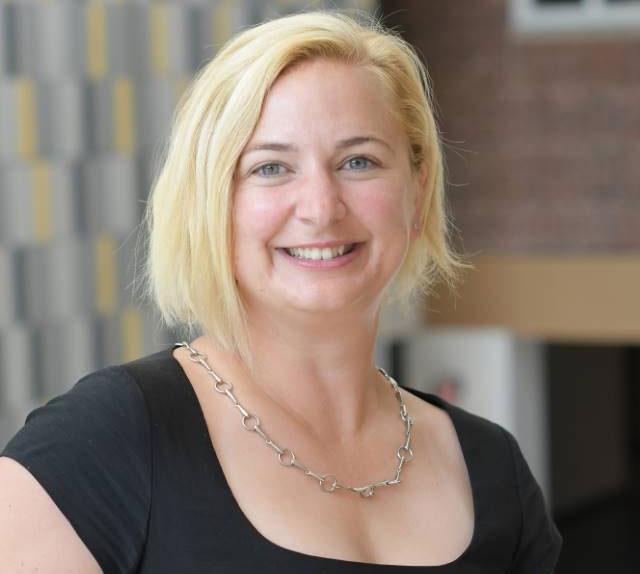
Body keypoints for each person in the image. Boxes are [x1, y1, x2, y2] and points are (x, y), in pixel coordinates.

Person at [0, 9, 563, 573]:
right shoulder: (104, 442)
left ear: (416, 193)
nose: (320, 208)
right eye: (271, 168)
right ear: (212, 202)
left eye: (358, 161)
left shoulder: (490, 469)